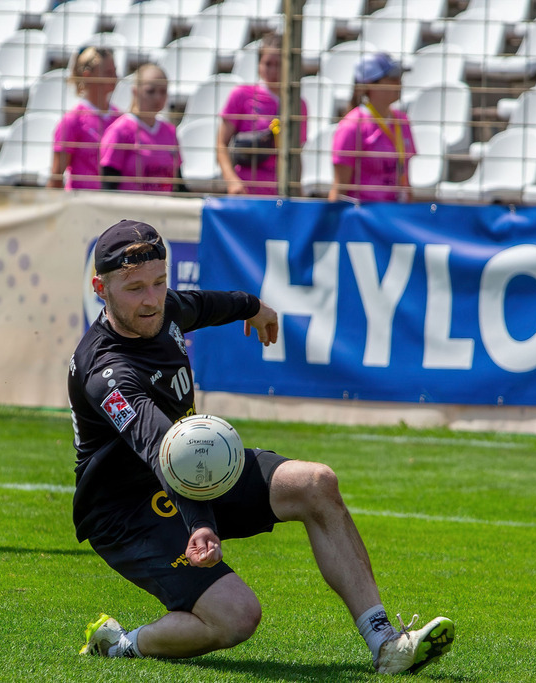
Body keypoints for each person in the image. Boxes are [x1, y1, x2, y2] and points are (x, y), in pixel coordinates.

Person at [69, 219, 455, 673]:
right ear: (100, 287)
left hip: (196, 471)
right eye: (135, 288)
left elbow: (203, 304)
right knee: (236, 617)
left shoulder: (159, 309)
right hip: (127, 513)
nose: (152, 299)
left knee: (316, 483)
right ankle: (119, 643)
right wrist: (199, 523)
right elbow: (161, 450)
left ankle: (386, 643)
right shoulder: (106, 373)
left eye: (160, 282)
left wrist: (254, 308)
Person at [217, 32, 308, 196]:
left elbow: (296, 155)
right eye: (268, 63)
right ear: (259, 64)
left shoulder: (298, 105)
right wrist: (232, 182)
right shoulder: (241, 95)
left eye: (279, 64)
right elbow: (221, 143)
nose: (272, 70)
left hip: (280, 194)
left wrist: (297, 190)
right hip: (244, 192)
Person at [329, 52, 416, 202]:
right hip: (363, 217)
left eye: (399, 78)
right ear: (369, 84)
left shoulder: (402, 120)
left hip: (396, 215)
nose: (399, 83)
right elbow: (339, 188)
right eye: (392, 78)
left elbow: (406, 182)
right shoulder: (351, 126)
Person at [99, 63, 180, 193]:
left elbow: (179, 184)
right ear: (135, 91)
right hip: (130, 211)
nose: (158, 97)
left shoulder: (170, 131)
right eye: (150, 91)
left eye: (163, 91)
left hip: (162, 210)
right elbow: (108, 187)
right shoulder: (119, 131)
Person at [47, 46, 120, 190]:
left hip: (112, 205)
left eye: (115, 71)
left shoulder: (121, 119)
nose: (115, 77)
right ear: (88, 76)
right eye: (108, 73)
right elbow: (56, 175)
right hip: (81, 203)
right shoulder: (73, 120)